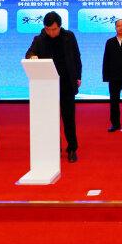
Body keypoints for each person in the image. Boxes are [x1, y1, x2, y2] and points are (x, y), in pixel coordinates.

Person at [25, 11, 82, 162]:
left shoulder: (69, 36)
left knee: (68, 118)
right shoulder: (39, 39)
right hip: (47, 85)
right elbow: (29, 53)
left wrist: (78, 76)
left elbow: (77, 57)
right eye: (48, 29)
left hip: (66, 83)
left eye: (54, 29)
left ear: (60, 26)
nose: (51, 32)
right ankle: (53, 147)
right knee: (50, 118)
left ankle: (72, 148)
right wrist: (32, 56)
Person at [102, 19, 122, 132]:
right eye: (118, 26)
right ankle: (115, 124)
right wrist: (106, 76)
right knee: (114, 101)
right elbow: (106, 59)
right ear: (115, 27)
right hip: (113, 77)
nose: (120, 28)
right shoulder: (110, 42)